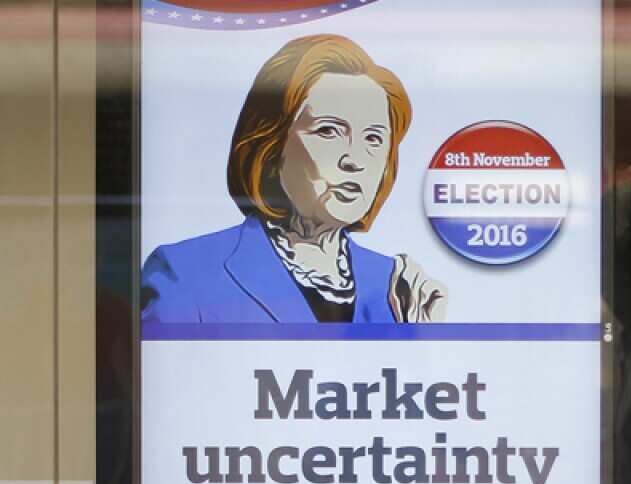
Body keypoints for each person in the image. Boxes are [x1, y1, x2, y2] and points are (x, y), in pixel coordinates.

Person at [141, 34, 446, 324]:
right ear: (271, 146)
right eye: (329, 131)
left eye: (374, 138)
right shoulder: (186, 273)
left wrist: (422, 338)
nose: (355, 160)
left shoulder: (399, 287)